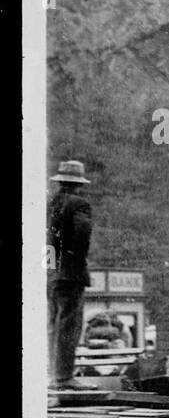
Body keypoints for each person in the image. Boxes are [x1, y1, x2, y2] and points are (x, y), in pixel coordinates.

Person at [47, 160, 94, 390]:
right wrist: (75, 261)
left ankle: (54, 375)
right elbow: (83, 234)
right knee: (70, 324)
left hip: (51, 271)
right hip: (71, 273)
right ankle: (64, 378)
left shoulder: (50, 203)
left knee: (53, 323)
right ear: (79, 184)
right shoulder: (80, 204)